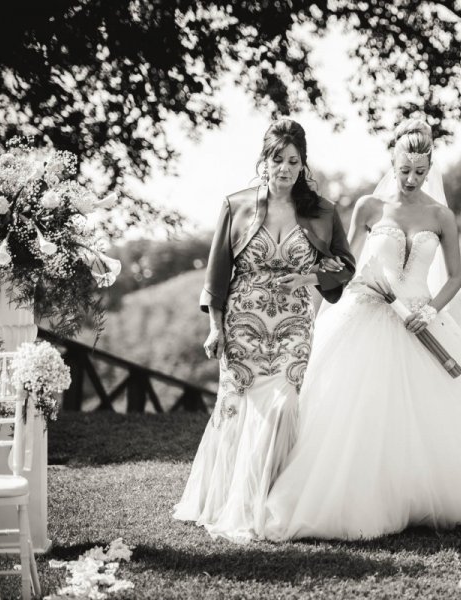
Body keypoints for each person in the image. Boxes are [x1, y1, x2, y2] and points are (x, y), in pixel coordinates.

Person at [261, 118, 461, 541]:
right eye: (405, 170)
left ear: (429, 166)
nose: (412, 178)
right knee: (357, 408)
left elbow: (455, 278)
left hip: (421, 316)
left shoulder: (441, 216)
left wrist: (429, 310)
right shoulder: (368, 208)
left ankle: (428, 492)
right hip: (366, 314)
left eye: (420, 171)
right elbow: (344, 265)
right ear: (393, 162)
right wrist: (355, 285)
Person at [173, 118, 355, 542]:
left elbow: (345, 266)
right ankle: (224, 501)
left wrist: (310, 278)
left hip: (293, 323)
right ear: (264, 161)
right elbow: (217, 276)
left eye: (294, 161)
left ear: (303, 165)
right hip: (242, 325)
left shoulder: (323, 212)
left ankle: (269, 501)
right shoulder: (235, 205)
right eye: (278, 159)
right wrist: (214, 328)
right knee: (235, 413)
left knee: (284, 405)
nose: (285, 168)